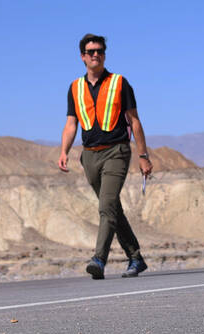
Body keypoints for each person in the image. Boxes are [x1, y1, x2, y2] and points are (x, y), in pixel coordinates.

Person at [58, 34, 152, 279]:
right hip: (89, 156)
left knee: (106, 207)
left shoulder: (120, 83)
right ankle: (136, 258)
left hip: (116, 152)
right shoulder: (75, 88)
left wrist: (143, 155)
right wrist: (63, 151)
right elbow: (71, 123)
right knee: (112, 209)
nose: (95, 55)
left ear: (104, 54)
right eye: (90, 51)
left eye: (99, 51)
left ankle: (99, 259)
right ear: (82, 56)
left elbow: (134, 121)